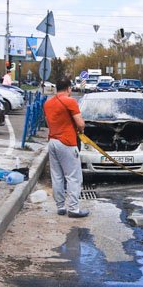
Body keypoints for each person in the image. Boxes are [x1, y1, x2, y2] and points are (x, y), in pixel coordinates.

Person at [43, 77, 88, 218]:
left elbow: (47, 122)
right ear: (69, 88)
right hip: (67, 142)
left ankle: (60, 207)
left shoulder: (48, 103)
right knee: (73, 177)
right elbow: (80, 123)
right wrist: (81, 130)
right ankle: (74, 209)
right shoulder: (70, 101)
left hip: (53, 141)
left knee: (57, 176)